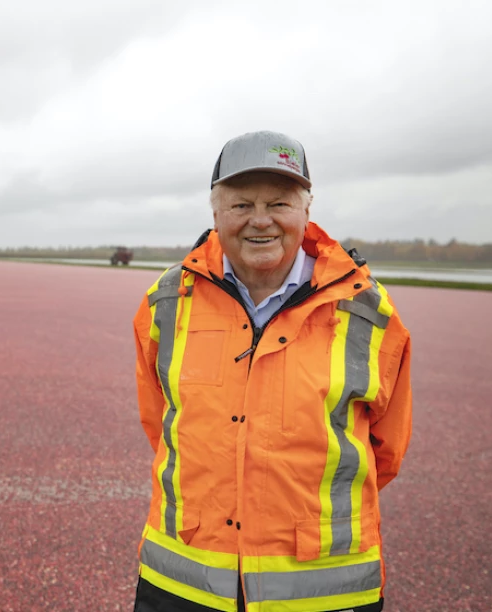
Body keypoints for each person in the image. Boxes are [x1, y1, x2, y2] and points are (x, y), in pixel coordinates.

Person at [131, 131, 413, 612]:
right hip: (182, 584)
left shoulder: (367, 309)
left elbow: (386, 450)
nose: (260, 220)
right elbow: (160, 424)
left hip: (324, 592)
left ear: (306, 211)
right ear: (215, 214)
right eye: (241, 205)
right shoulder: (167, 301)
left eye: (278, 203)